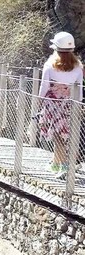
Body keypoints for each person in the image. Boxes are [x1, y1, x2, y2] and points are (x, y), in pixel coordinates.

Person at [39, 32, 84, 173]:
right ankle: (56, 163)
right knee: (66, 134)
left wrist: (39, 101)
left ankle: (63, 166)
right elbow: (79, 89)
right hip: (69, 104)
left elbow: (44, 86)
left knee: (57, 135)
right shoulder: (78, 67)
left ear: (56, 48)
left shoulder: (50, 65)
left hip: (53, 104)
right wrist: (79, 104)